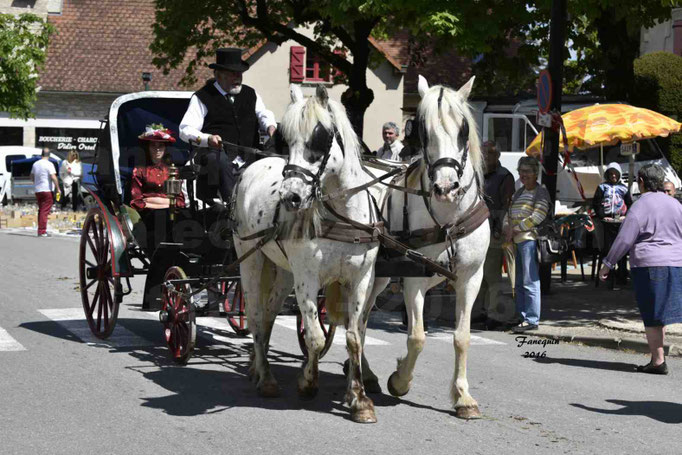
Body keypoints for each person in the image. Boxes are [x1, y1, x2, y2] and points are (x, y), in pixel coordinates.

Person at [598, 164, 682, 375]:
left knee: (652, 314)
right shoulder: (675, 204)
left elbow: (625, 238)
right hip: (676, 263)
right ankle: (658, 357)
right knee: (661, 314)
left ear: (641, 182)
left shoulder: (640, 205)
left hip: (650, 264)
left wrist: (608, 263)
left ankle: (657, 361)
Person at [179, 47, 276, 204]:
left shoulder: (251, 94)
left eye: (239, 74)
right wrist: (207, 138)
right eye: (232, 74)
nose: (237, 78)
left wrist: (270, 125)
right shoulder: (202, 97)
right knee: (218, 159)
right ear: (218, 75)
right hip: (215, 158)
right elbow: (185, 130)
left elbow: (263, 113)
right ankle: (231, 205)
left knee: (273, 159)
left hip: (248, 157)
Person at [473, 141, 516, 330]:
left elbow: (507, 204)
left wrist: (502, 226)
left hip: (494, 229)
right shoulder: (477, 173)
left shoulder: (504, 176)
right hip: (475, 229)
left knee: (491, 274)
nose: (484, 158)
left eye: (488, 154)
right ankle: (481, 311)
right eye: (482, 154)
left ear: (497, 156)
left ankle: (494, 314)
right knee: (478, 273)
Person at [509, 156, 551, 333]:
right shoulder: (519, 192)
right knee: (519, 281)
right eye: (521, 171)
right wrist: (506, 226)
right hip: (516, 240)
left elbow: (538, 215)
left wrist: (517, 228)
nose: (523, 175)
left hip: (529, 240)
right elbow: (509, 212)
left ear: (535, 173)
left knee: (529, 280)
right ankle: (521, 315)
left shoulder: (541, 192)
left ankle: (532, 319)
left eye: (527, 171)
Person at [130, 124, 186, 254]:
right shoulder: (140, 170)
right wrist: (167, 203)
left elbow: (180, 201)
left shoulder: (172, 171)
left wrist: (152, 200)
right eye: (153, 146)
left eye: (160, 146)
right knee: (162, 216)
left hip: (172, 213)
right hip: (149, 216)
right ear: (148, 148)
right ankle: (160, 255)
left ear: (165, 148)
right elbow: (137, 202)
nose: (157, 149)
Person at [592, 162, 632, 284]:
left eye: (615, 174)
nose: (613, 176)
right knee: (608, 248)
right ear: (607, 175)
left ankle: (622, 274)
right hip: (606, 221)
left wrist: (626, 216)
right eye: (611, 174)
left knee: (622, 247)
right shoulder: (602, 187)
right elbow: (596, 203)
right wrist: (602, 216)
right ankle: (608, 273)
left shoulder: (624, 188)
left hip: (620, 221)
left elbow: (629, 204)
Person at [30, 148, 61, 237]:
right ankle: (42, 231)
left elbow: (31, 176)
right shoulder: (49, 164)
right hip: (47, 189)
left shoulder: (35, 164)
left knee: (41, 209)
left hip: (38, 189)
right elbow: (53, 177)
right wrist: (58, 188)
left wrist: (35, 182)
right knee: (45, 210)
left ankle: (40, 229)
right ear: (49, 155)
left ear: (41, 154)